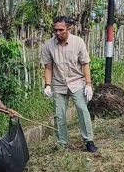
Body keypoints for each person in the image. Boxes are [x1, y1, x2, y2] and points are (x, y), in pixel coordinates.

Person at [41, 16, 97, 152]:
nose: (58, 33)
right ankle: (62, 142)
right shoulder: (48, 45)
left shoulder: (78, 42)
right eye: (55, 30)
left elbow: (85, 64)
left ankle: (89, 140)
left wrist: (88, 84)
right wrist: (47, 85)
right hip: (59, 84)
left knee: (82, 109)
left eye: (61, 30)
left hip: (77, 82)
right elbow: (48, 67)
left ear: (69, 28)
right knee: (59, 114)